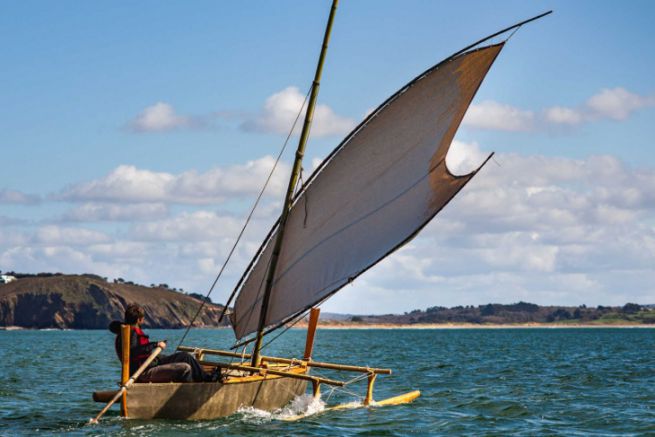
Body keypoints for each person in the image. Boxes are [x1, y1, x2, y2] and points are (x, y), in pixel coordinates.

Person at [108, 304, 218, 383]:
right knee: (185, 363)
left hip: (147, 364)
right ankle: (205, 381)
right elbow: (134, 351)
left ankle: (206, 377)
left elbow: (139, 350)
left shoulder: (126, 330)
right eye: (142, 319)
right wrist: (156, 345)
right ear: (139, 320)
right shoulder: (131, 332)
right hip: (142, 371)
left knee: (184, 356)